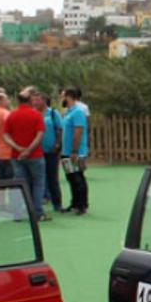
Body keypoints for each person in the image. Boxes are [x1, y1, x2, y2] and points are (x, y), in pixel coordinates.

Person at [2, 87, 48, 221]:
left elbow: (5, 135)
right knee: (38, 184)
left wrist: (18, 147)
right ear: (30, 101)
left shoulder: (12, 115)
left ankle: (17, 213)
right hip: (35, 155)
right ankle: (37, 213)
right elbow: (39, 135)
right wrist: (29, 150)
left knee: (19, 183)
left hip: (17, 155)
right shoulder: (36, 115)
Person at [34, 91, 66, 214]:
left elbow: (59, 129)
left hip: (51, 151)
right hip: (36, 152)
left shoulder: (53, 113)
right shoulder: (34, 113)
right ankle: (41, 201)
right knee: (38, 178)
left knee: (53, 178)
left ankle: (57, 203)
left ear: (44, 100)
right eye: (34, 100)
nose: (36, 102)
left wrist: (57, 144)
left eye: (38, 100)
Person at [61, 87, 89, 215]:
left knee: (78, 178)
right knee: (71, 178)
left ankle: (82, 205)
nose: (61, 99)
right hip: (66, 151)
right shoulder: (68, 112)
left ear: (68, 97)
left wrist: (74, 150)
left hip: (75, 152)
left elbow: (78, 132)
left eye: (63, 96)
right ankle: (75, 204)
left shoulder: (77, 112)